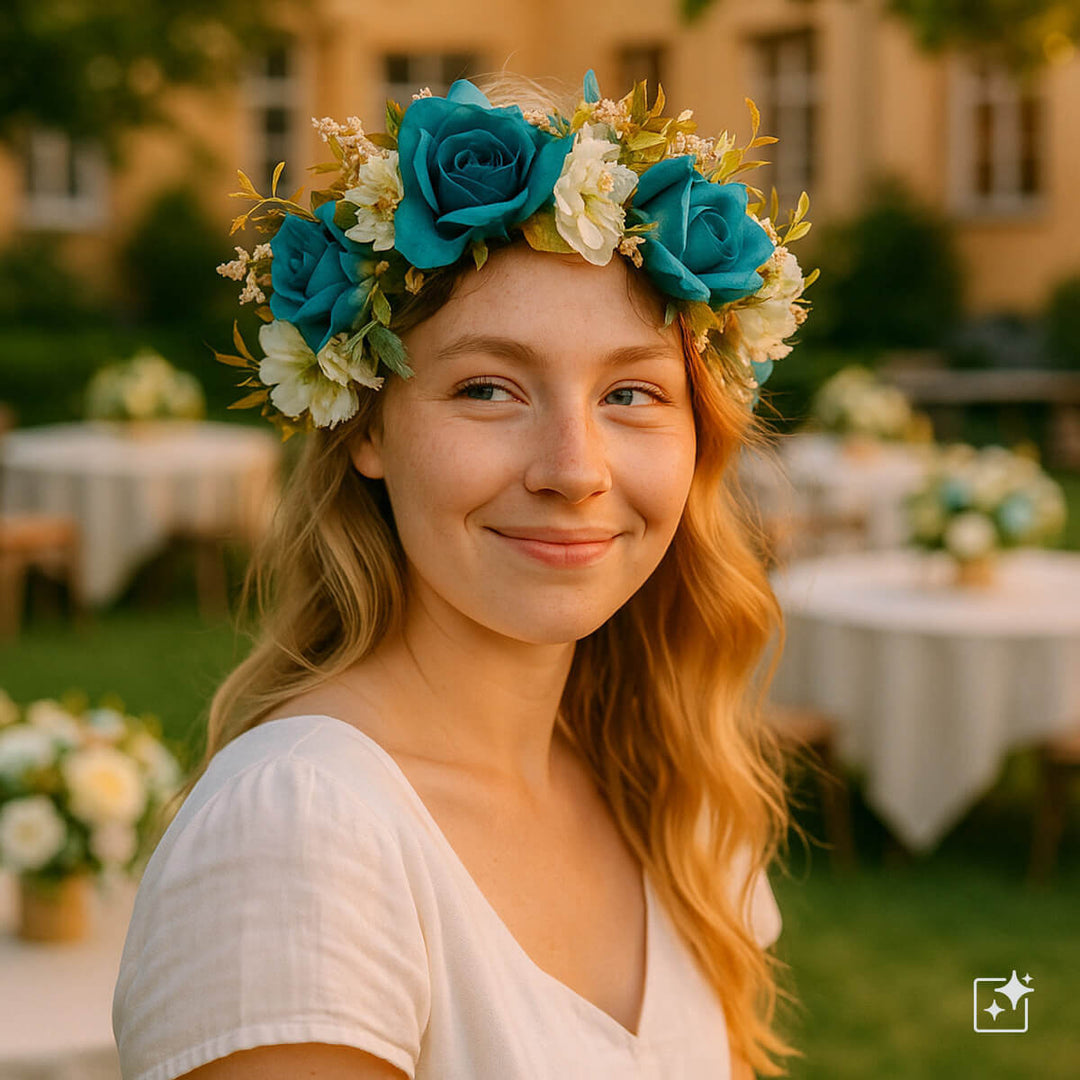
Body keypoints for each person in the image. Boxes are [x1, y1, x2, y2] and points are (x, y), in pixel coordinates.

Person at [112, 69, 812, 1079]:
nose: (574, 469)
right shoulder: (305, 834)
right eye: (487, 387)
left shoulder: (668, 794)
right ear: (369, 426)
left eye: (630, 392)